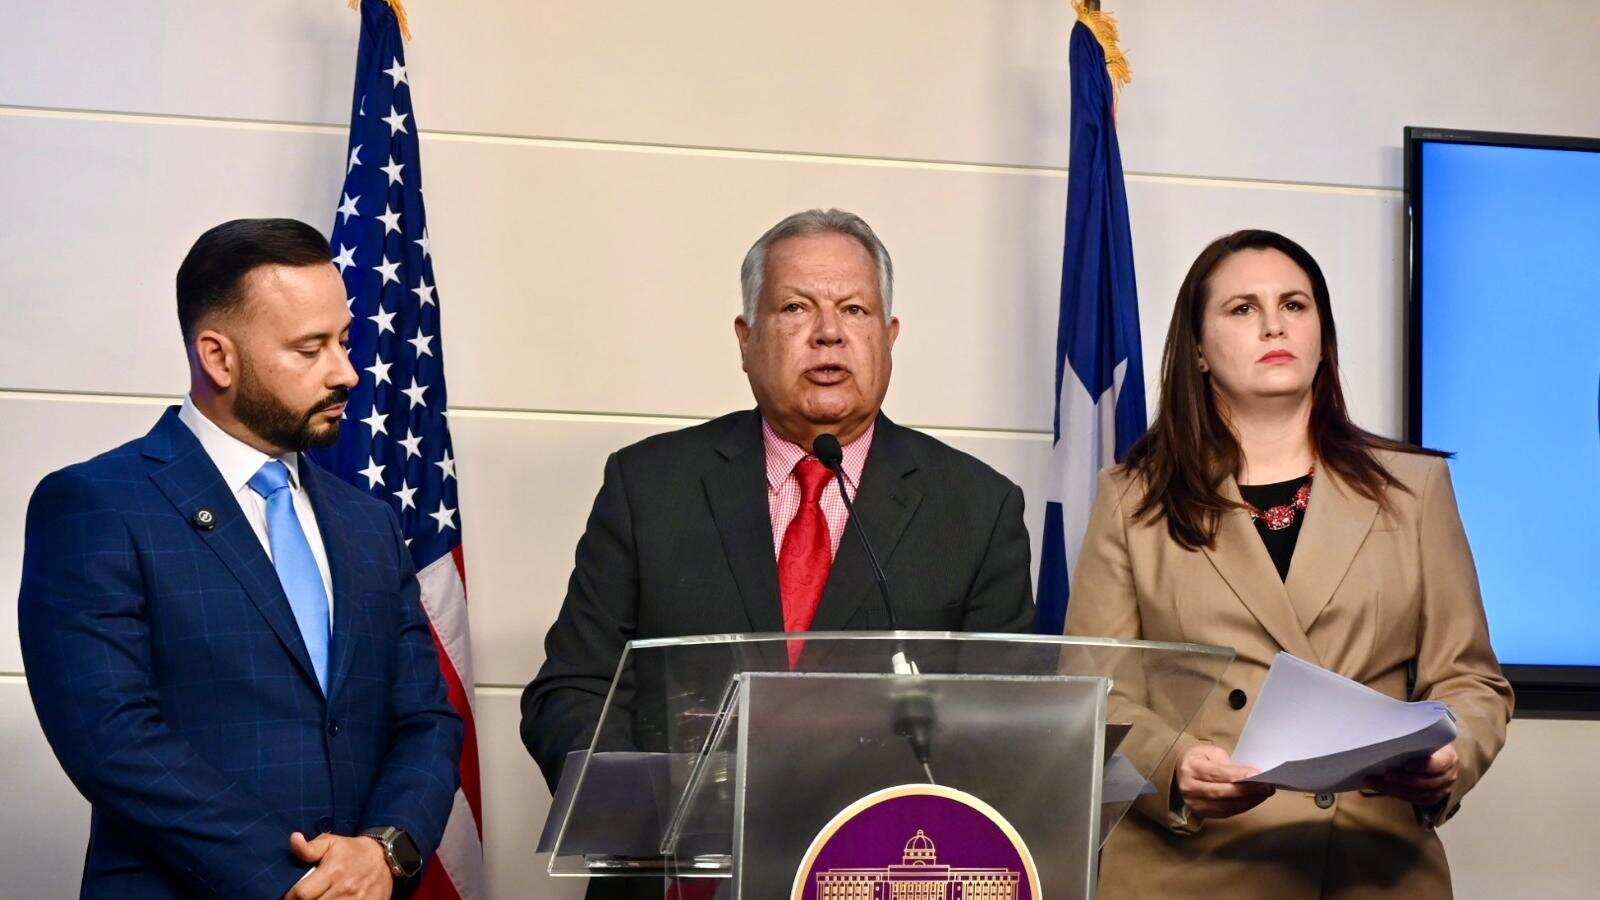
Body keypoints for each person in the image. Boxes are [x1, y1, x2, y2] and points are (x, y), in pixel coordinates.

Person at [18, 219, 463, 899]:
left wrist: (383, 850)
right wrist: (301, 884)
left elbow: (426, 720)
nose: (346, 371)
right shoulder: (95, 506)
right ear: (218, 358)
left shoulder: (367, 524)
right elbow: (112, 740)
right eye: (310, 349)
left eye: (344, 342)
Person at [1066, 229, 1513, 898]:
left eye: (1296, 305)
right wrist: (1176, 767)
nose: (1274, 323)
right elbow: (1094, 692)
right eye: (1242, 308)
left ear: (1323, 336)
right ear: (1197, 350)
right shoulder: (1132, 499)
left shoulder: (1415, 489)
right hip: (1194, 870)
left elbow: (1473, 682)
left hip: (1372, 865)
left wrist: (1452, 756)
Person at [522, 207, 1035, 786]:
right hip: (679, 865)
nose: (828, 332)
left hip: (876, 863)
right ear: (746, 339)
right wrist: (644, 806)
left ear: (889, 338)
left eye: (855, 310)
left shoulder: (976, 509)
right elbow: (572, 690)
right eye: (796, 307)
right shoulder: (649, 486)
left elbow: (1004, 724)